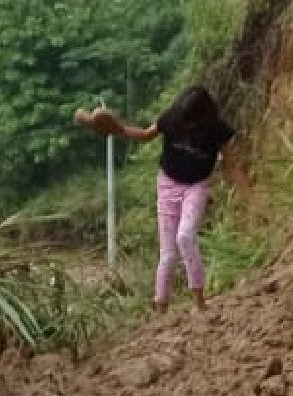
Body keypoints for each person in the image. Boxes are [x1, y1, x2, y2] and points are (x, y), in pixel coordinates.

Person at [75, 85, 249, 312]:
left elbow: (232, 165)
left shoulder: (216, 130)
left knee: (185, 237)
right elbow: (145, 135)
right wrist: (118, 129)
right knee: (167, 254)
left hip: (195, 186)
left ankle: (200, 304)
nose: (187, 125)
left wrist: (249, 199)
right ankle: (161, 309)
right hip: (167, 185)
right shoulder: (172, 118)